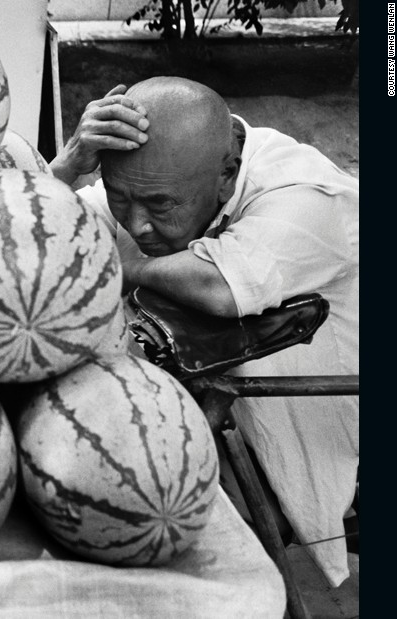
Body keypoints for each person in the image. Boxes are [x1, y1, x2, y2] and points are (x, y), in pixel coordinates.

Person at [50, 76, 359, 587]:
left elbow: (223, 285)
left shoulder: (311, 197)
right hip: (214, 408)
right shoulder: (152, 182)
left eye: (159, 206)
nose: (139, 224)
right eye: (120, 198)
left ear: (227, 175)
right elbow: (46, 225)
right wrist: (65, 168)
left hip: (302, 423)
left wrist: (130, 263)